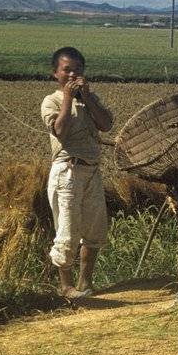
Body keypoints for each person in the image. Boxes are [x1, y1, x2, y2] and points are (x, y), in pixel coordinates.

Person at [40, 46, 114, 299]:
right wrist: (69, 99)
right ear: (55, 74)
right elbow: (60, 131)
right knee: (68, 231)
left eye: (78, 70)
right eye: (67, 70)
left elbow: (106, 124)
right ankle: (66, 286)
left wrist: (89, 97)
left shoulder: (90, 100)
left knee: (94, 231)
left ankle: (85, 282)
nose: (73, 75)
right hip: (67, 172)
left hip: (91, 171)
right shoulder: (52, 101)